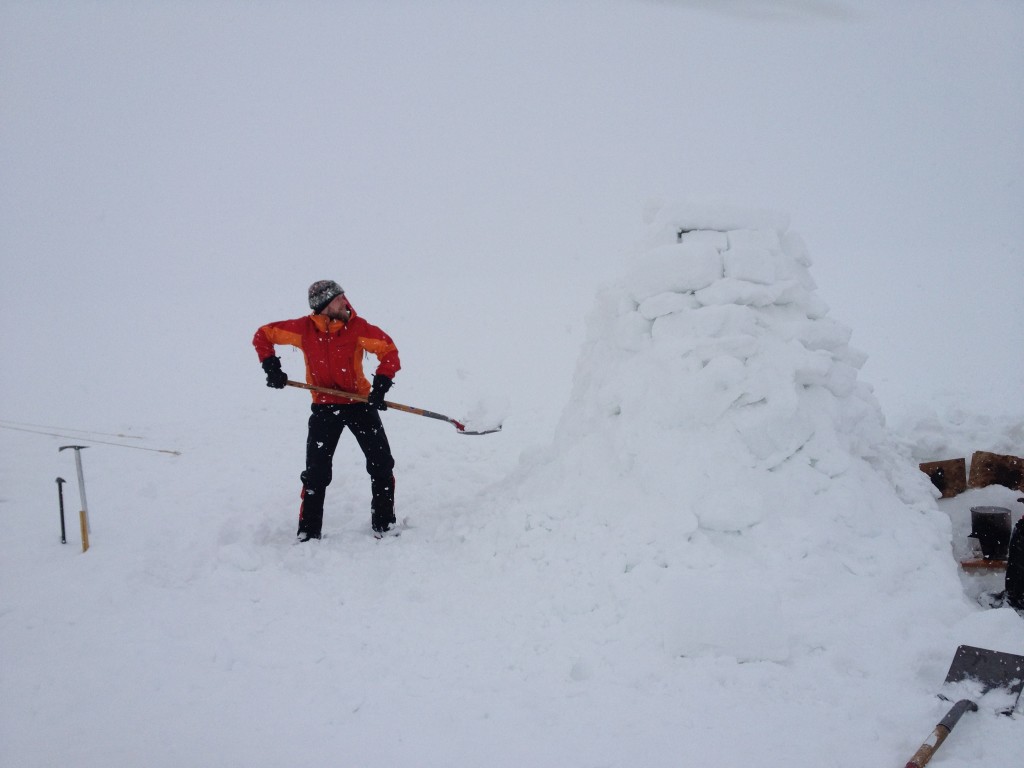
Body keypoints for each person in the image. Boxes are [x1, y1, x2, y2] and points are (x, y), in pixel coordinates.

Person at [253, 280, 400, 541]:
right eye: (337, 300)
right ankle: (308, 532)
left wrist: (380, 387)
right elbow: (263, 335)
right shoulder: (303, 329)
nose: (344, 302)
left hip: (359, 404)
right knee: (316, 474)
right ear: (322, 306)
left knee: (381, 465)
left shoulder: (357, 328)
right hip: (324, 407)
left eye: (343, 297)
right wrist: (272, 368)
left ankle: (384, 523)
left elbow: (389, 351)